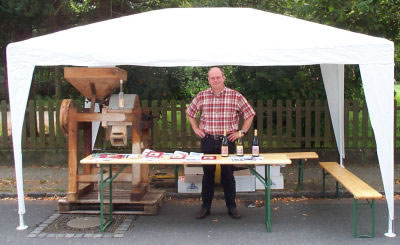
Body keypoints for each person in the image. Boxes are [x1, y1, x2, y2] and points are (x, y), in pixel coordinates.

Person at [186, 67, 255, 219]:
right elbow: (190, 112)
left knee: (228, 175)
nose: (215, 80)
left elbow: (250, 114)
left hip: (227, 141)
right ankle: (205, 207)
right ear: (208, 79)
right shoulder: (202, 95)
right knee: (208, 175)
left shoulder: (235, 95)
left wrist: (241, 132)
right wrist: (196, 128)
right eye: (212, 78)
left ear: (224, 78)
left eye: (218, 77)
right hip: (208, 140)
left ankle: (232, 206)